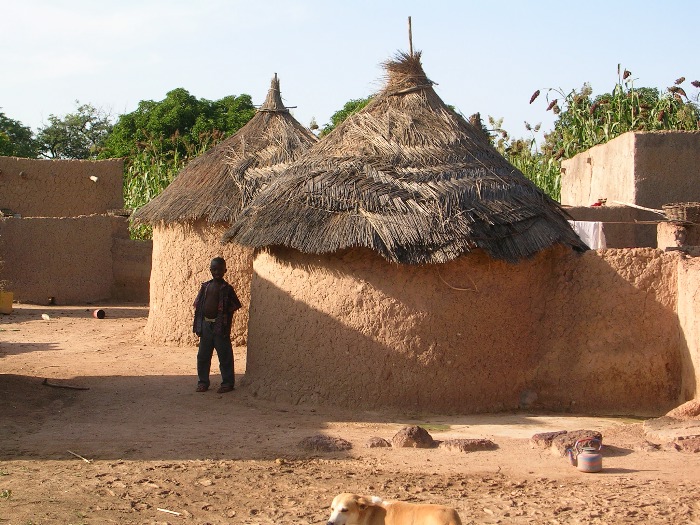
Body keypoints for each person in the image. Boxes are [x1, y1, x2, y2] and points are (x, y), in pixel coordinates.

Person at [192, 257, 241, 393]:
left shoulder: (227, 289)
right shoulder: (205, 287)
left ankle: (227, 383)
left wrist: (226, 324)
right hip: (206, 326)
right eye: (214, 269)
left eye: (220, 269)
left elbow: (234, 306)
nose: (217, 272)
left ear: (225, 270)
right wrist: (199, 326)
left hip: (221, 328)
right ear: (210, 270)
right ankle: (202, 382)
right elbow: (199, 307)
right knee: (203, 356)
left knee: (224, 356)